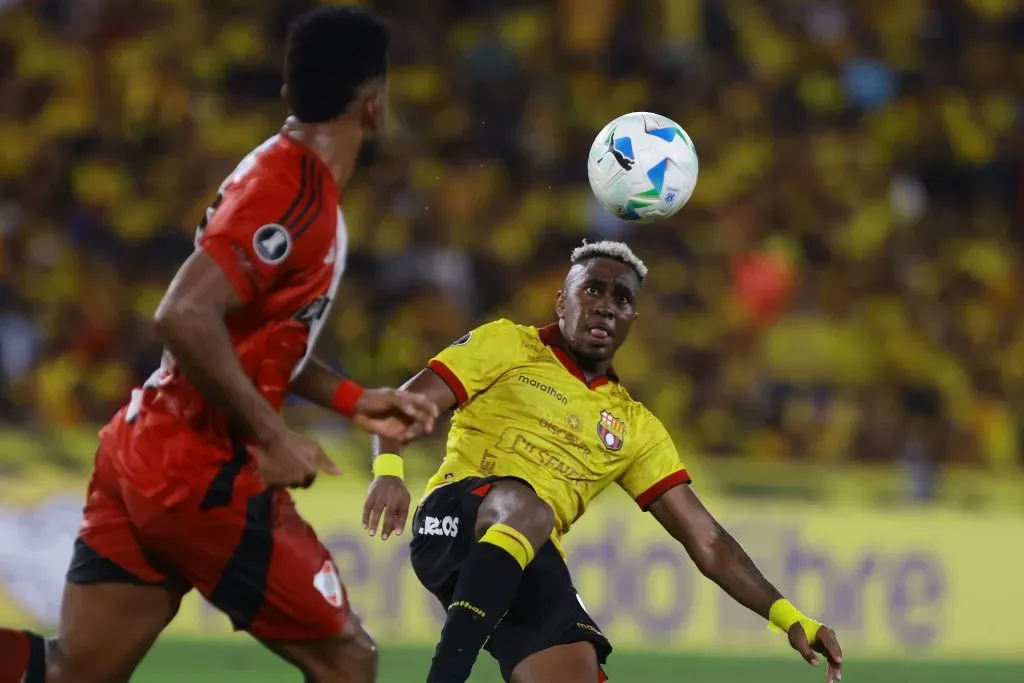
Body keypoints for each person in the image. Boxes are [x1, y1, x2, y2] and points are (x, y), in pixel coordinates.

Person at [0, 7, 440, 683]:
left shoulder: (281, 172)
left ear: (290, 96)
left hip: (146, 446)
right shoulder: (295, 195)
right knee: (350, 660)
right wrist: (273, 434)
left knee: (72, 672)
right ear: (374, 109)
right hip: (203, 471)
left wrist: (352, 398)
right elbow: (183, 314)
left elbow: (254, 338)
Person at [363, 241, 845, 683]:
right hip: (454, 518)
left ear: (633, 318)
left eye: (621, 299)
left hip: (528, 555)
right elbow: (402, 405)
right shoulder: (508, 344)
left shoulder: (635, 426)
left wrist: (789, 616)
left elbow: (709, 540)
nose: (605, 305)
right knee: (529, 509)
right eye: (592, 289)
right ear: (562, 302)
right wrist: (388, 472)